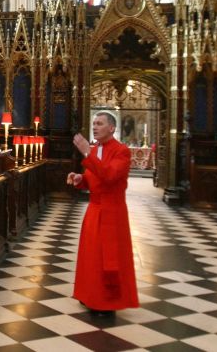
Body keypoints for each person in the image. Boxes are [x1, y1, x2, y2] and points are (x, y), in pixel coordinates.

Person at [68, 112, 139, 316]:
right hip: (94, 208)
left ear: (112, 128)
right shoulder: (96, 149)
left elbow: (109, 176)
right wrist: (80, 178)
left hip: (112, 212)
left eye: (100, 124)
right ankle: (89, 294)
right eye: (94, 124)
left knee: (108, 258)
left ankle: (107, 304)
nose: (95, 127)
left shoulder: (122, 151)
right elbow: (94, 177)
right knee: (91, 256)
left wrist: (86, 153)